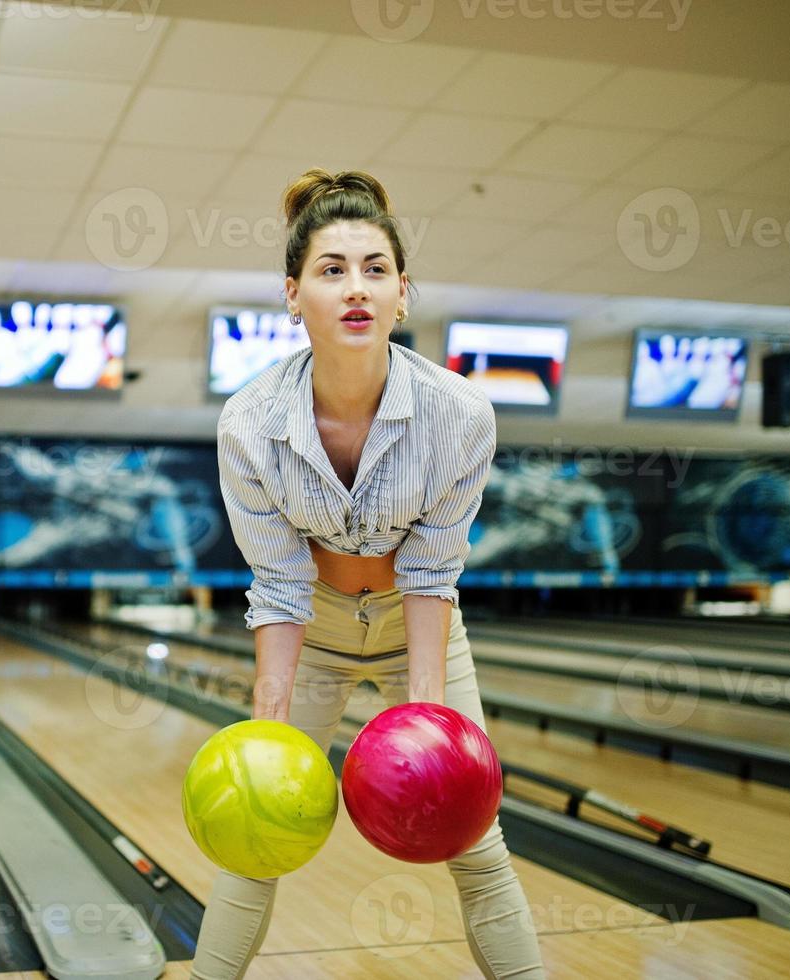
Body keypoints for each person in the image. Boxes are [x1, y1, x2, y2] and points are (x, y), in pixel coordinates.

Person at [193, 168, 545, 979]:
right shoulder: (248, 423)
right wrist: (270, 736)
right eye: (331, 269)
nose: (356, 288)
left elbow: (430, 573)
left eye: (374, 269)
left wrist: (429, 730)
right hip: (311, 632)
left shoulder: (460, 414)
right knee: (255, 842)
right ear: (292, 294)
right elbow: (277, 586)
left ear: (402, 294)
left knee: (477, 846)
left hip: (413, 624)